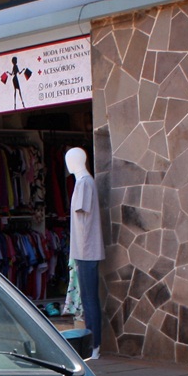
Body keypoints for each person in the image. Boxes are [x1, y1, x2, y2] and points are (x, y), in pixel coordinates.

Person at [66, 147, 106, 360]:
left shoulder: (83, 184)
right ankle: (93, 344)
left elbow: (81, 214)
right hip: (85, 250)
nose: (67, 164)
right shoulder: (85, 183)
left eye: (69, 159)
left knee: (89, 300)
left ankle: (94, 345)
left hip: (86, 250)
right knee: (89, 299)